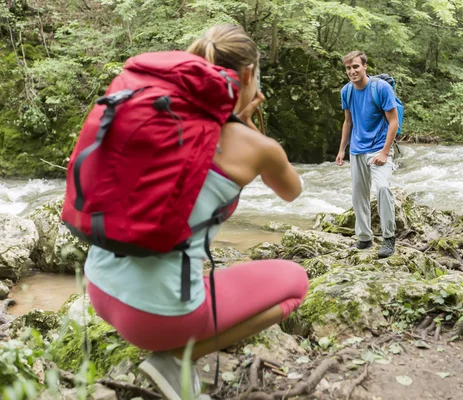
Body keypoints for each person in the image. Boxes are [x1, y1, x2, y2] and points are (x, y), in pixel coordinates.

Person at [83, 24, 309, 400]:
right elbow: (291, 191)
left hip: (98, 288)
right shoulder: (256, 147)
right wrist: (253, 134)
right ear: (249, 75)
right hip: (154, 320)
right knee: (295, 283)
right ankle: (172, 359)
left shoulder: (148, 115)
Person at [336, 51, 399, 259]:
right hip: (357, 149)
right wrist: (341, 149)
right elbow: (348, 121)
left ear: (365, 67)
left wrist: (385, 152)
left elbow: (393, 122)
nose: (352, 71)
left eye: (355, 66)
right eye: (348, 68)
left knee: (382, 188)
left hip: (380, 148)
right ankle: (364, 237)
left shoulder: (381, 89)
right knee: (358, 194)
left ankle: (389, 238)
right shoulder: (346, 91)